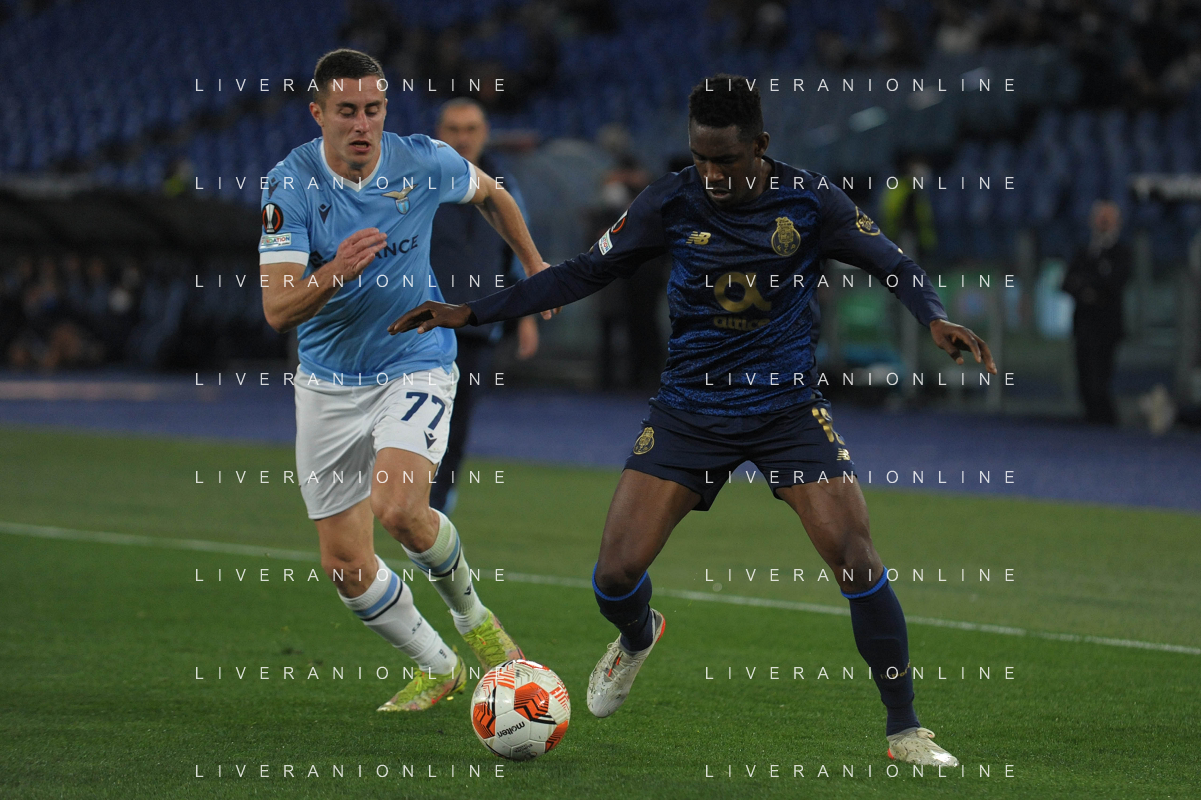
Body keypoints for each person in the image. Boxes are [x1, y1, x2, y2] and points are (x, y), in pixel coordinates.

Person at [391, 74, 997, 765]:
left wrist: (934, 317)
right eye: (700, 158)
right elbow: (583, 272)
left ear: (760, 145)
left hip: (786, 410)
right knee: (614, 576)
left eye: (726, 160)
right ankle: (638, 633)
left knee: (855, 558)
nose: (711, 174)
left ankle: (905, 730)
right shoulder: (669, 201)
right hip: (689, 410)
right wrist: (472, 312)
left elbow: (892, 263)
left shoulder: (810, 200)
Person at [258, 49, 550, 712]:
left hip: (414, 359)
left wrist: (533, 264)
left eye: (373, 109)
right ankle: (437, 666)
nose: (362, 124)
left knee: (398, 508)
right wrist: (336, 269)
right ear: (318, 114)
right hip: (327, 381)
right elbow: (278, 308)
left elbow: (492, 194)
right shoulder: (290, 184)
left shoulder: (421, 160)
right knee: (345, 566)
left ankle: (477, 622)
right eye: (346, 111)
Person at [428, 97, 539, 514]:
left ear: (486, 133)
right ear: (439, 133)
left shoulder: (504, 184)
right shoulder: (419, 181)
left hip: (479, 324)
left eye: (471, 129)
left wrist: (526, 316)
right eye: (454, 129)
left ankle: (438, 506)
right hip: (421, 324)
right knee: (412, 416)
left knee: (457, 423)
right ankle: (403, 497)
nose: (463, 138)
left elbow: (518, 252)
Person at [1062, 200, 1132, 425]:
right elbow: (1067, 282)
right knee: (1084, 372)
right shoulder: (1083, 251)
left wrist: (1088, 285)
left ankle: (1106, 418)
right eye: (1100, 218)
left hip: (1107, 324)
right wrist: (1088, 287)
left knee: (1101, 374)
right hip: (1084, 323)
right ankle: (1091, 415)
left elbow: (1114, 283)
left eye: (1107, 219)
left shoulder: (1122, 251)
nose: (1102, 223)